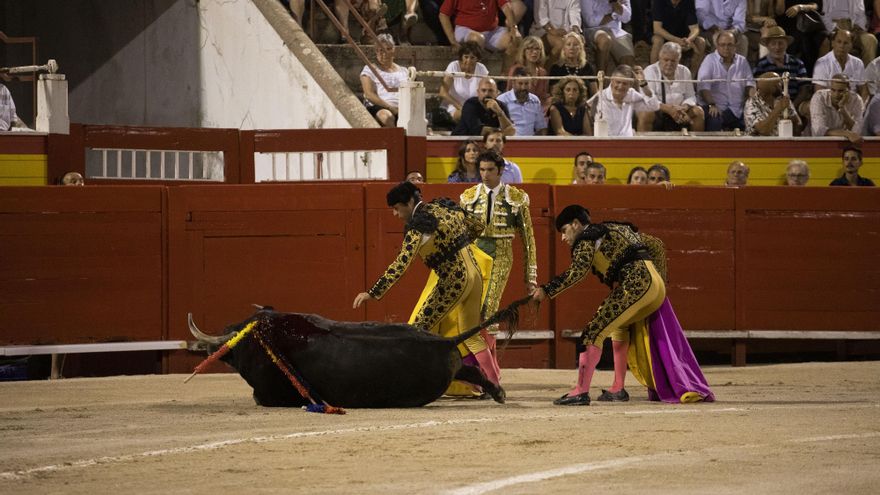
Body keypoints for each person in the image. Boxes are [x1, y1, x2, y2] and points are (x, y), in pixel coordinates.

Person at [531, 205, 714, 405]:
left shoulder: (587, 237)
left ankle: (580, 391)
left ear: (576, 224)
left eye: (564, 231)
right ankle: (618, 388)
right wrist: (659, 283)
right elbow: (656, 244)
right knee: (618, 326)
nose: (563, 238)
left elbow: (577, 272)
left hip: (636, 284)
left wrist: (547, 290)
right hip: (654, 285)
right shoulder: (614, 228)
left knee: (593, 331)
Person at [352, 181, 506, 401]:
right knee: (471, 335)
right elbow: (478, 224)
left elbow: (401, 264)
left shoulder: (419, 226)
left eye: (397, 208)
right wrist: (459, 240)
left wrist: (373, 292)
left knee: (417, 331)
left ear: (409, 203)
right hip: (475, 276)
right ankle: (493, 384)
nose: (395, 214)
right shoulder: (444, 207)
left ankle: (410, 385)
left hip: (455, 281)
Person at [460, 149, 538, 383]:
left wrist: (530, 275)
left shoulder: (516, 197)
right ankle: (488, 372)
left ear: (501, 170)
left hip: (501, 255)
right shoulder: (468, 196)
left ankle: (489, 376)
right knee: (474, 313)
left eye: (490, 170)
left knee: (488, 310)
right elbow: (461, 235)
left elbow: (528, 238)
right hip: (474, 254)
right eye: (481, 169)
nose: (484, 174)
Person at [639, 42, 706, 132]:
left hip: (681, 111)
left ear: (679, 60)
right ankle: (645, 145)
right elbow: (647, 99)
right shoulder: (650, 71)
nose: (669, 63)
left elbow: (691, 96)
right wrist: (669, 109)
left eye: (673, 61)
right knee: (646, 113)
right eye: (666, 60)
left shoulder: (684, 71)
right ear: (660, 58)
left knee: (698, 111)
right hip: (659, 112)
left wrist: (684, 107)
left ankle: (695, 145)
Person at [697, 30, 756, 131]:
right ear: (717, 45)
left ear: (735, 45)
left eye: (730, 45)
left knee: (754, 124)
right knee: (714, 121)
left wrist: (753, 104)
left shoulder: (742, 61)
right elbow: (704, 87)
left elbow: (750, 84)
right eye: (722, 45)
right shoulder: (709, 60)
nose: (726, 48)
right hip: (716, 108)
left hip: (738, 109)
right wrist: (712, 104)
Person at [753, 26, 811, 119]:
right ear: (768, 45)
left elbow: (804, 89)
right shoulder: (761, 65)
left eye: (781, 43)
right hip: (770, 107)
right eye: (773, 43)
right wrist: (776, 109)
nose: (777, 47)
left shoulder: (797, 63)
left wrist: (791, 107)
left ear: (786, 44)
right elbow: (759, 89)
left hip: (795, 105)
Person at [589, 64, 660, 137]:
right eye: (618, 82)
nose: (620, 86)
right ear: (612, 81)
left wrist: (643, 84)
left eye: (624, 83)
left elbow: (654, 106)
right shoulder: (601, 97)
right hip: (607, 143)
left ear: (630, 84)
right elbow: (586, 109)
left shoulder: (631, 94)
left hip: (628, 143)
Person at [360, 34, 410, 128]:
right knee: (386, 116)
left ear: (393, 50)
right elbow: (369, 94)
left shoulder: (404, 71)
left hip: (402, 107)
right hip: (381, 107)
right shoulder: (370, 69)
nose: (383, 54)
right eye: (380, 51)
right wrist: (391, 108)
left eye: (387, 49)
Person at [438, 0, 524, 52]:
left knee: (516, 38)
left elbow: (506, 6)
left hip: (491, 31)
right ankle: (478, 77)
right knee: (477, 39)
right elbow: (443, 15)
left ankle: (504, 77)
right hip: (465, 30)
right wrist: (453, 42)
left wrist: (514, 28)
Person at [812, 29, 870, 103]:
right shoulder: (822, 63)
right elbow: (819, 93)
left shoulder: (858, 63)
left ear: (851, 45)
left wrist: (861, 109)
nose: (842, 46)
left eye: (846, 43)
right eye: (839, 42)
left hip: (852, 104)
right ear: (832, 43)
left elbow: (864, 90)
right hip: (829, 104)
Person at [651, 0, 707, 74]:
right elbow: (657, 29)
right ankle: (654, 75)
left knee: (701, 42)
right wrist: (677, 40)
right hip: (664, 35)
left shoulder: (688, 2)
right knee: (658, 40)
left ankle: (691, 77)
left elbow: (695, 28)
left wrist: (688, 40)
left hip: (683, 36)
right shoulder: (659, 2)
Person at [581, 0, 637, 73]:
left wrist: (615, 2)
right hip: (594, 30)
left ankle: (623, 82)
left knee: (628, 58)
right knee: (604, 40)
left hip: (616, 31)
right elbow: (591, 22)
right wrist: (613, 15)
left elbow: (626, 18)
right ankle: (601, 79)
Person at [439, 42, 490, 123]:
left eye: (472, 57)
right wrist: (461, 107)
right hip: (454, 107)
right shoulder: (453, 66)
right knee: (466, 115)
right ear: (461, 57)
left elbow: (487, 90)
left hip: (474, 108)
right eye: (466, 57)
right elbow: (443, 93)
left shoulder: (481, 69)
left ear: (477, 59)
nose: (468, 60)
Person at [810, 73, 865, 143]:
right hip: (821, 143)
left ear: (849, 90)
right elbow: (819, 130)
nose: (836, 95)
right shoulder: (819, 97)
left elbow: (858, 131)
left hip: (846, 143)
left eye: (840, 91)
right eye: (833, 90)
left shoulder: (856, 100)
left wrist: (842, 108)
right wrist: (847, 134)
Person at [819, 0, 878, 65]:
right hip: (835, 25)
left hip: (853, 26)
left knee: (870, 39)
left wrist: (859, 28)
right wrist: (834, 28)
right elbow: (824, 16)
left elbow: (861, 15)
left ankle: (867, 73)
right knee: (832, 41)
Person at [452, 78, 517, 136]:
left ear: (497, 93)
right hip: (461, 142)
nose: (486, 94)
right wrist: (501, 132)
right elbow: (479, 131)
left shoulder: (501, 106)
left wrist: (499, 112)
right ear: (478, 92)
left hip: (488, 143)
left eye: (490, 90)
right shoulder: (470, 104)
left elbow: (511, 132)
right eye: (483, 90)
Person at [497, 67, 549, 136]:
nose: (523, 88)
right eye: (520, 83)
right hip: (509, 142)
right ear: (513, 83)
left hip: (530, 143)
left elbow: (541, 127)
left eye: (526, 84)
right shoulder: (502, 100)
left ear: (531, 84)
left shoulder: (535, 100)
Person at [507, 35, 551, 105]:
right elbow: (509, 92)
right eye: (530, 48)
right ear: (523, 51)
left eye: (537, 49)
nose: (534, 52)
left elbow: (543, 96)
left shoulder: (543, 72)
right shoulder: (515, 69)